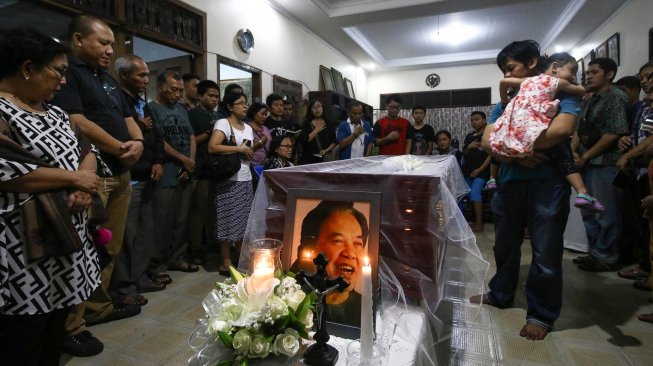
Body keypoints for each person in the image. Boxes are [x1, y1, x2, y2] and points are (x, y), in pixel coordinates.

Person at [0, 26, 102, 365]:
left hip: (67, 243)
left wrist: (82, 183)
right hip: (22, 250)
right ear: (28, 68)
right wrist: (77, 179)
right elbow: (10, 171)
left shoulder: (56, 112)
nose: (62, 81)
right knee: (22, 337)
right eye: (58, 72)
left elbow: (88, 150)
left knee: (53, 332)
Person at [472, 40, 582, 341]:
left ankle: (541, 314)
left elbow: (562, 130)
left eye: (511, 68)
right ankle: (500, 294)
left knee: (545, 250)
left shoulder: (561, 92)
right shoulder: (505, 101)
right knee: (504, 245)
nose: (508, 74)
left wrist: (511, 144)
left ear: (532, 61)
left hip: (548, 183)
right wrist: (518, 153)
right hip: (509, 181)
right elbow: (486, 141)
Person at [52, 14, 142, 353]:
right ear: (78, 40)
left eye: (111, 44)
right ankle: (71, 324)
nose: (109, 49)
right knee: (86, 249)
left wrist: (138, 143)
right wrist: (119, 146)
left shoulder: (107, 80)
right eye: (102, 43)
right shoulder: (69, 76)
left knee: (111, 246)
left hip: (122, 172)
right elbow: (76, 121)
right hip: (93, 172)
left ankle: (97, 308)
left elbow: (128, 119)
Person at [489, 52, 604, 213]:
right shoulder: (558, 84)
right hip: (532, 129)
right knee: (563, 156)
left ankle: (492, 179)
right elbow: (581, 91)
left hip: (516, 127)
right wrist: (578, 87)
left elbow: (503, 82)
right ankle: (583, 192)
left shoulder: (527, 82)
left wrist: (504, 101)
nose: (572, 76)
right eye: (572, 71)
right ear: (555, 67)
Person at [112, 54, 166, 309]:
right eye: (141, 75)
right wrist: (139, 128)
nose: (146, 79)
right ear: (124, 75)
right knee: (126, 236)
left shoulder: (141, 102)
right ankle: (124, 287)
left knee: (145, 233)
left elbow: (155, 135)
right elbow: (118, 138)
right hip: (129, 177)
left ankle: (140, 277)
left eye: (147, 74)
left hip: (148, 174)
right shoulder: (115, 100)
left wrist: (157, 160)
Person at [572, 57, 629, 271]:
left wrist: (585, 156)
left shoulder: (616, 97)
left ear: (609, 74)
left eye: (594, 72)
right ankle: (595, 252)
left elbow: (614, 133)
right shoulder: (589, 98)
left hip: (605, 162)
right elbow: (579, 129)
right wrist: (572, 153)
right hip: (586, 161)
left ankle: (607, 255)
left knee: (606, 211)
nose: (589, 75)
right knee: (589, 209)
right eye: (588, 72)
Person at [146, 70, 198, 274]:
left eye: (180, 90)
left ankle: (178, 258)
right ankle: (157, 264)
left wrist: (190, 162)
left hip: (186, 172)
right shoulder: (151, 109)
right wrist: (183, 159)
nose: (178, 94)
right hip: (165, 174)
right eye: (173, 90)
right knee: (161, 221)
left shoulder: (181, 110)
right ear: (160, 88)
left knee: (181, 220)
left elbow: (191, 136)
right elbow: (159, 141)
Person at [298, 201, 369, 327]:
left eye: (358, 243)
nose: (351, 253)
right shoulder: (293, 301)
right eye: (338, 241)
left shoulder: (367, 309)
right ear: (311, 246)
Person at [207, 92, 254, 275]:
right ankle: (226, 261)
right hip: (228, 178)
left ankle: (239, 257)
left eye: (245, 103)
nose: (244, 106)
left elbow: (246, 151)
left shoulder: (248, 127)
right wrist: (239, 148)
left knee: (243, 220)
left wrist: (249, 150)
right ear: (230, 106)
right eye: (240, 103)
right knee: (226, 219)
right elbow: (213, 147)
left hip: (245, 176)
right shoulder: (223, 123)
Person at [615, 63, 653, 278]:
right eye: (642, 78)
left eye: (649, 76)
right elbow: (636, 133)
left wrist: (628, 154)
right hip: (639, 171)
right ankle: (646, 266)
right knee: (640, 220)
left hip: (647, 168)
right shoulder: (640, 108)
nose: (644, 81)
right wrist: (624, 140)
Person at [187, 80, 220, 265]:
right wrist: (210, 132)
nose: (214, 99)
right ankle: (196, 248)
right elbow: (192, 140)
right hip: (200, 168)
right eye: (210, 95)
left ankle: (212, 243)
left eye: (216, 96)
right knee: (198, 210)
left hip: (218, 168)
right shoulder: (192, 115)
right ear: (200, 96)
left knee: (212, 209)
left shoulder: (219, 116)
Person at [461, 112, 491, 232]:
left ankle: (479, 223)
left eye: (477, 119)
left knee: (475, 194)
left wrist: (480, 169)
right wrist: (470, 147)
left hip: (481, 172)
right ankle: (473, 221)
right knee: (469, 194)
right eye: (472, 120)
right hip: (468, 171)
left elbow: (490, 155)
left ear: (484, 120)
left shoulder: (487, 135)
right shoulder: (469, 136)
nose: (474, 122)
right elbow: (464, 154)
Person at [298, 99, 336, 164]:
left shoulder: (329, 122)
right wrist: (317, 130)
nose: (317, 109)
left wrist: (326, 150)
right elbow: (304, 141)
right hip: (308, 159)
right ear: (310, 110)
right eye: (314, 107)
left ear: (322, 108)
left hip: (324, 159)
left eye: (319, 106)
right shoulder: (306, 123)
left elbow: (334, 141)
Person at [247, 102, 272, 167]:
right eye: (262, 114)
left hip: (265, 165)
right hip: (251, 165)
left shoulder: (266, 129)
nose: (264, 117)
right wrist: (260, 141)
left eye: (266, 115)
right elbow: (245, 150)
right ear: (254, 113)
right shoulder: (246, 128)